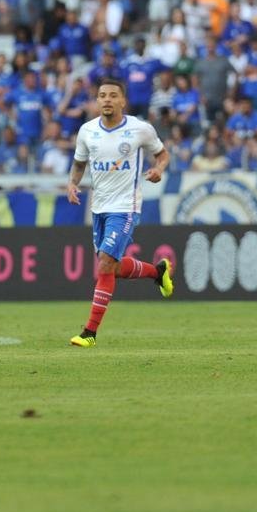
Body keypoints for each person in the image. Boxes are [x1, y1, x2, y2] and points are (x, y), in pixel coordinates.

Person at [66, 79, 173, 348]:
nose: (107, 100)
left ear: (123, 101)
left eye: (113, 95)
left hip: (125, 207)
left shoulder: (139, 129)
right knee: (112, 267)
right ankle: (157, 272)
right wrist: (72, 184)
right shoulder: (87, 131)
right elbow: (79, 163)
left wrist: (159, 169)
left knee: (103, 265)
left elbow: (162, 155)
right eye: (102, 95)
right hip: (99, 208)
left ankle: (89, 332)